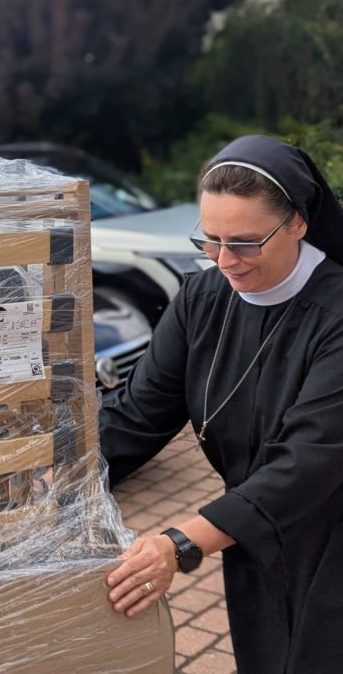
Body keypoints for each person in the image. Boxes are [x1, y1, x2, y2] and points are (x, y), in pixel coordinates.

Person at [100, 135, 343, 673]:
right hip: (251, 531)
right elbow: (138, 413)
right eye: (210, 240)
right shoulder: (202, 299)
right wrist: (57, 474)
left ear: (298, 224)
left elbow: (309, 461)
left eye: (246, 243)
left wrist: (180, 544)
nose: (225, 261)